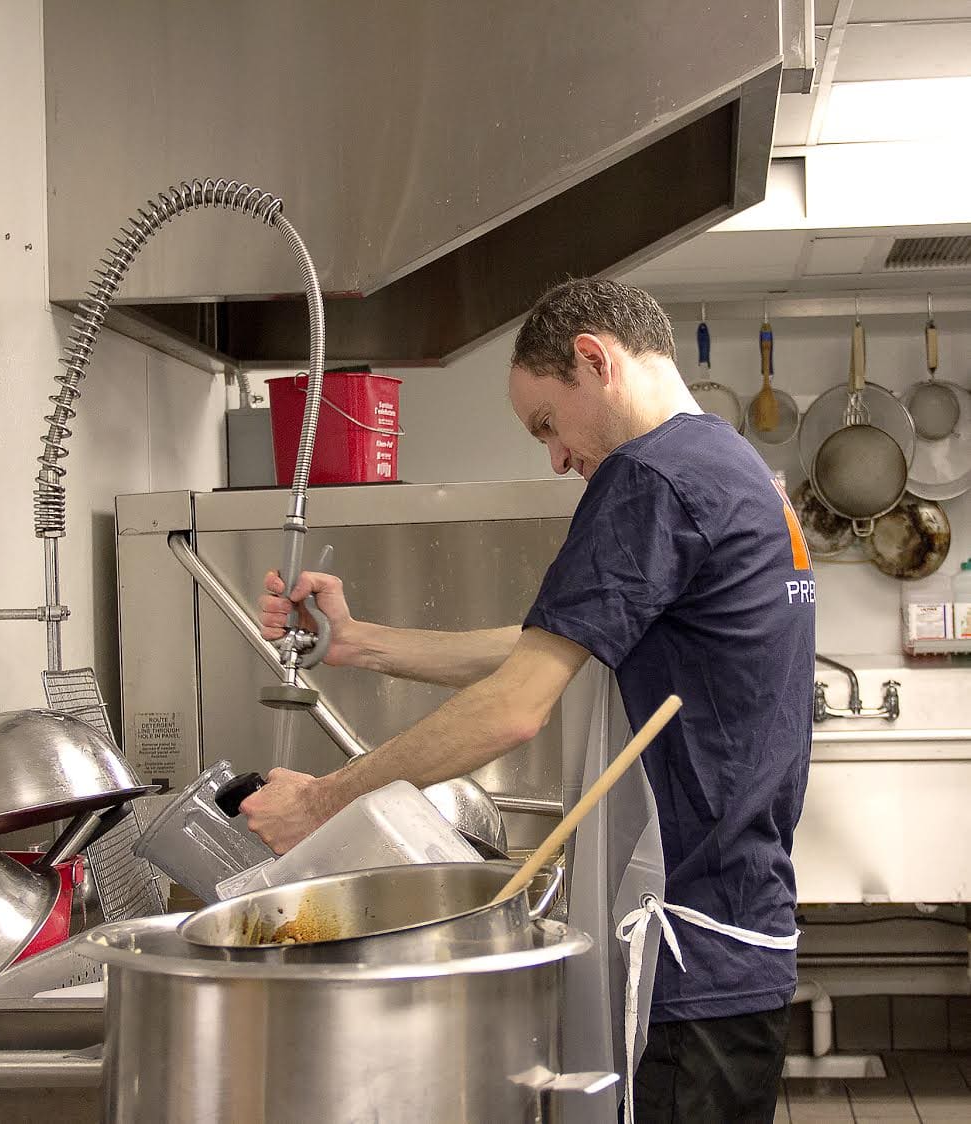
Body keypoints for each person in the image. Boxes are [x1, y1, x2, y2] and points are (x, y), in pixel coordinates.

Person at [246, 278, 815, 1123]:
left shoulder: (648, 479)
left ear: (594, 360)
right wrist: (361, 642)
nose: (554, 457)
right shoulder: (728, 466)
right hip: (740, 933)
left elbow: (519, 705)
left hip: (690, 951)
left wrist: (323, 803)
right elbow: (549, 647)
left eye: (548, 423)